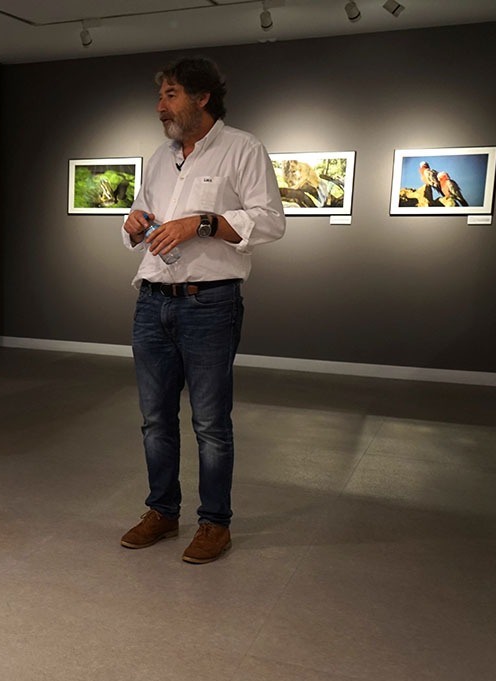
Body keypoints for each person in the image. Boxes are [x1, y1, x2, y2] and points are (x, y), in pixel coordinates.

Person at [119, 56, 285, 564]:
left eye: (170, 94)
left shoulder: (242, 149)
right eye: (161, 96)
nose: (160, 106)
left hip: (209, 304)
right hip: (152, 301)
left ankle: (215, 523)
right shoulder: (158, 156)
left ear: (202, 97)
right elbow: (143, 217)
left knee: (211, 423)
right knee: (154, 420)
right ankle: (163, 512)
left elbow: (271, 222)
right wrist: (132, 225)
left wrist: (203, 223)